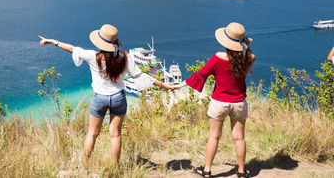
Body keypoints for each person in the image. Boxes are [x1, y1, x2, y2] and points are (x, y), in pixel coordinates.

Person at [39, 24, 173, 164]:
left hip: (99, 99)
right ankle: (114, 166)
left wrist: (53, 42)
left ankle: (85, 164)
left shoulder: (93, 56)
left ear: (100, 42)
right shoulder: (125, 58)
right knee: (115, 135)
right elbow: (140, 76)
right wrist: (164, 85)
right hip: (118, 98)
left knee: (92, 134)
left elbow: (73, 49)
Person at [174, 22, 255, 178]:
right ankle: (241, 171)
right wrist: (244, 46)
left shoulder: (217, 58)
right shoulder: (249, 58)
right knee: (239, 137)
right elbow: (248, 55)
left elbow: (200, 75)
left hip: (219, 102)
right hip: (239, 103)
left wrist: (178, 86)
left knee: (214, 136)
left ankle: (207, 170)